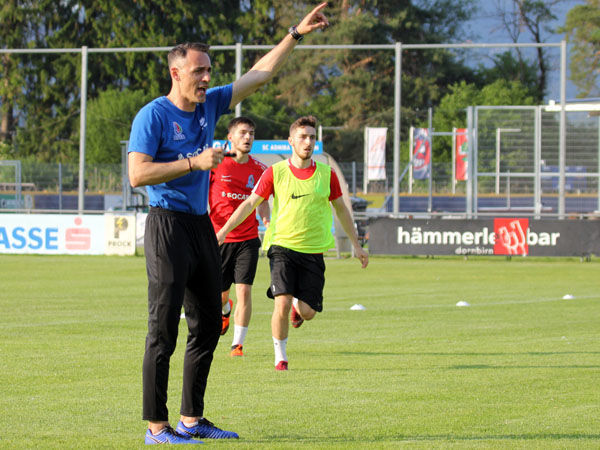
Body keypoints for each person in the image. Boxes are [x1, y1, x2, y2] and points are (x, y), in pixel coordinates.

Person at [128, 3, 330, 444]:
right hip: (166, 226)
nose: (206, 77)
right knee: (163, 330)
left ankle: (191, 419)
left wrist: (296, 33)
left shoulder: (211, 104)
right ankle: (156, 427)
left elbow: (260, 75)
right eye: (198, 71)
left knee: (207, 325)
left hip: (200, 227)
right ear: (176, 73)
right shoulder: (153, 115)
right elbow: (137, 174)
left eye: (209, 70)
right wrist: (192, 162)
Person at [216, 115, 369, 371]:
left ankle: (300, 307)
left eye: (312, 137)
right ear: (291, 141)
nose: (308, 142)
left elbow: (342, 209)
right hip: (282, 247)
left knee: (308, 312)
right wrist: (223, 232)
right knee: (282, 301)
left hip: (313, 250)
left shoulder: (327, 174)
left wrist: (357, 245)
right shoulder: (275, 172)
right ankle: (281, 358)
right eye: (302, 137)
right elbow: (250, 203)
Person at [209, 116, 270, 357]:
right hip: (219, 238)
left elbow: (262, 201)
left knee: (244, 291)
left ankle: (237, 344)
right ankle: (225, 309)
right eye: (243, 133)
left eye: (251, 133)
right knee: (220, 295)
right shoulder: (216, 164)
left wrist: (266, 219)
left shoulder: (260, 169)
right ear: (230, 137)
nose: (248, 137)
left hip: (247, 239)